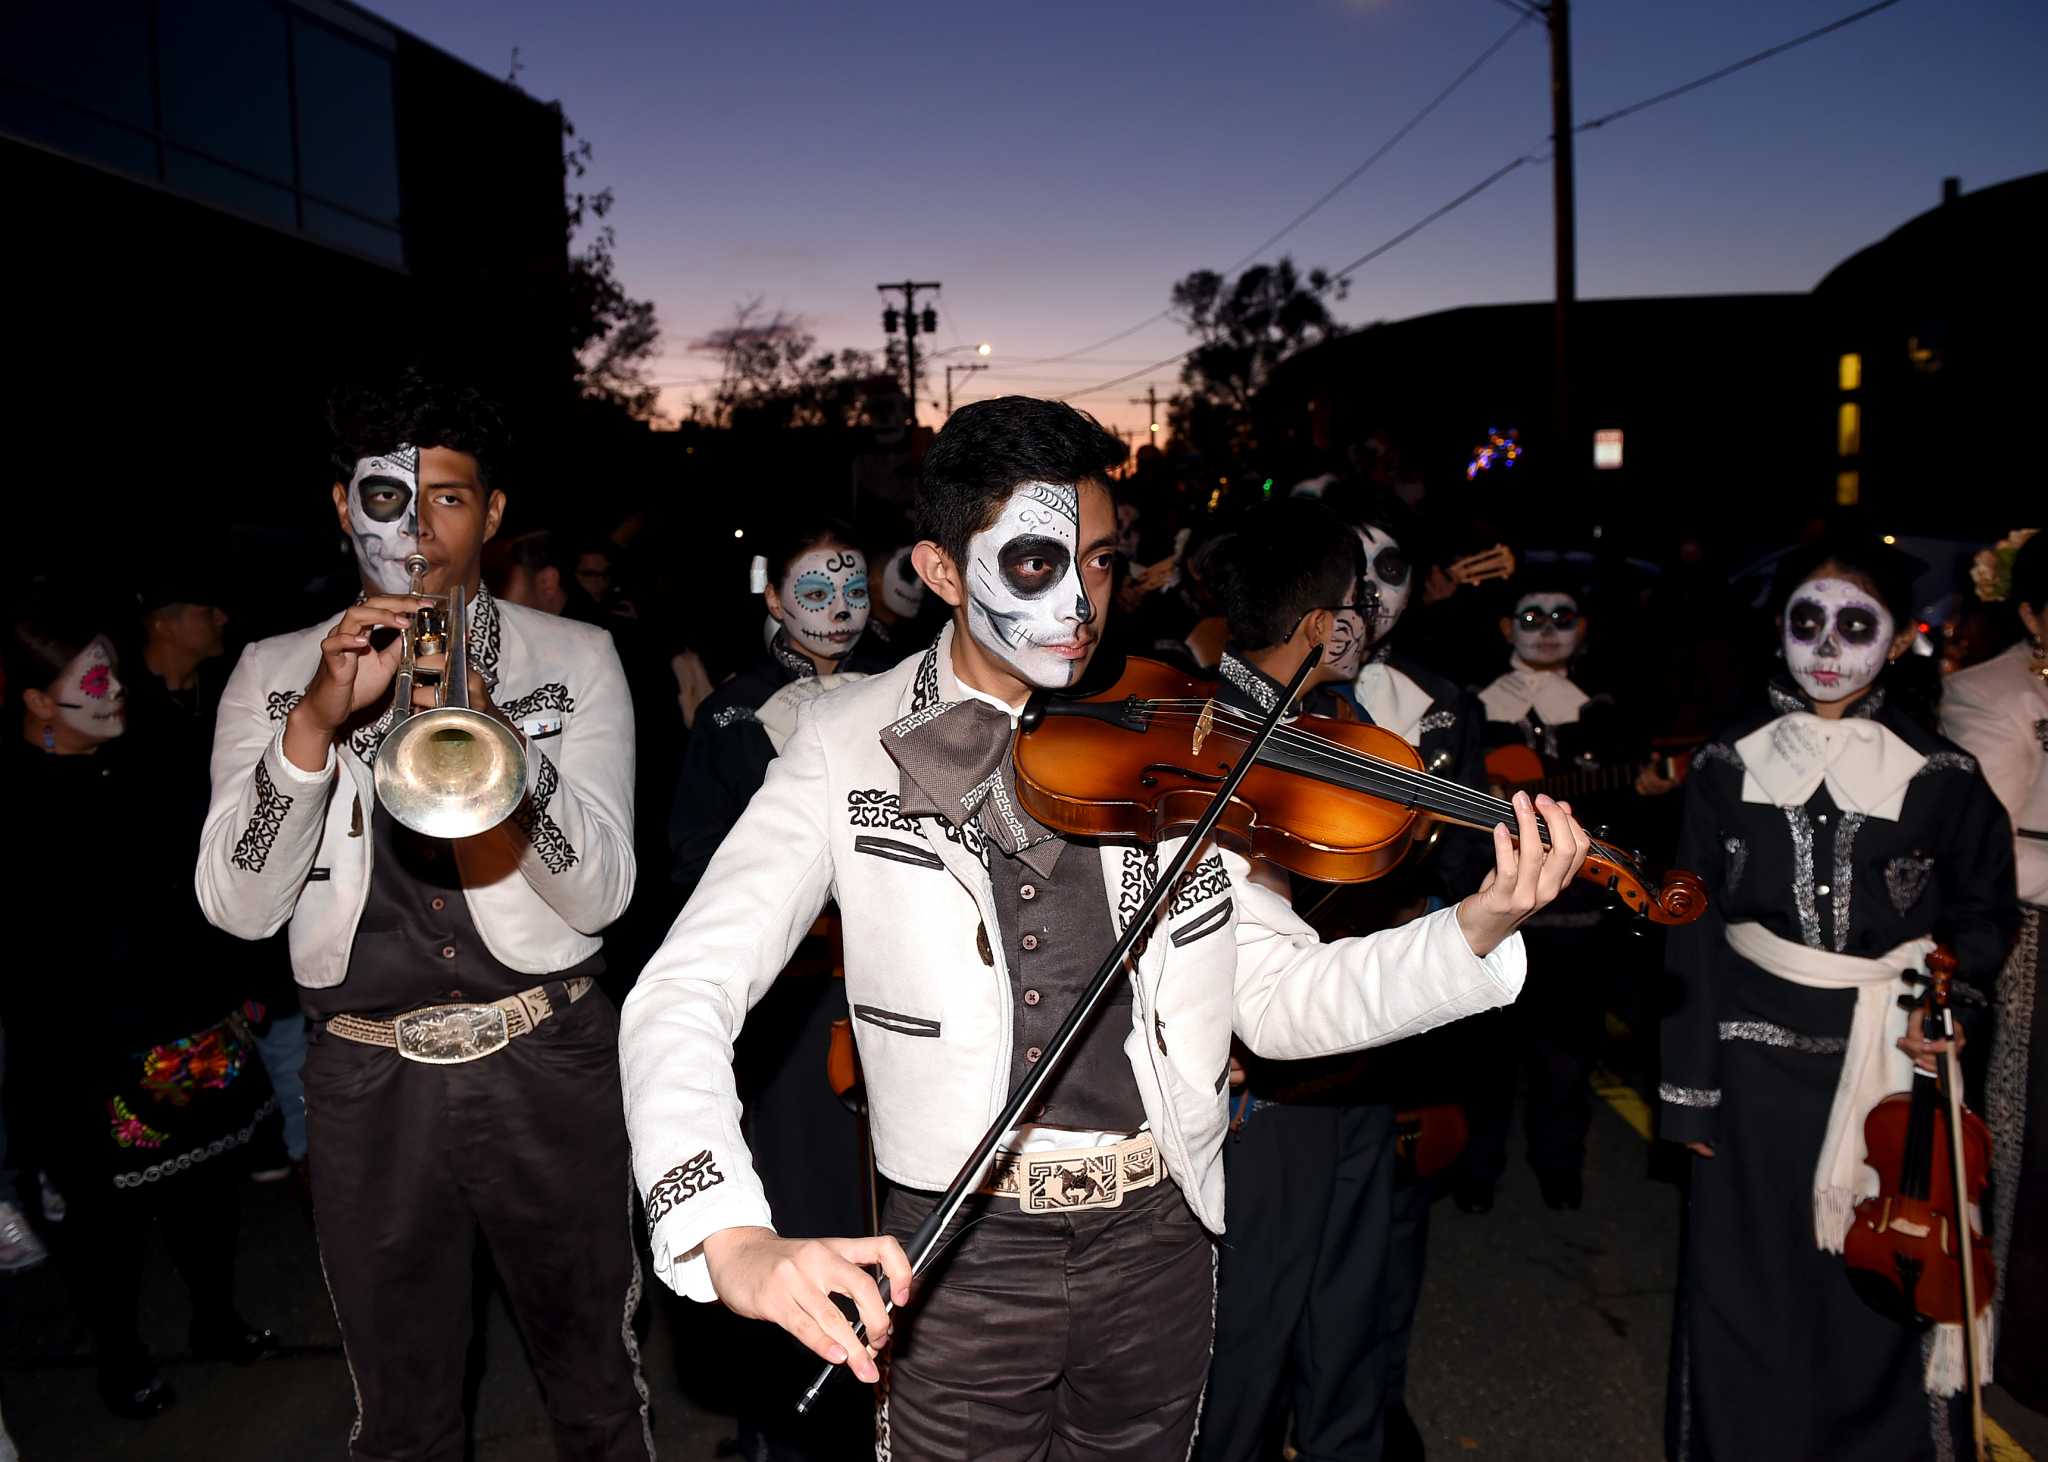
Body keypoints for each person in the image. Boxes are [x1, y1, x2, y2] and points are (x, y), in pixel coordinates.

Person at [620, 396, 1591, 1462]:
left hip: (1158, 1238)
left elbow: (1276, 999)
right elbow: (682, 992)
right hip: (952, 1254)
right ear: (943, 572)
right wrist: (729, 1237)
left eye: (1098, 561)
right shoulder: (838, 742)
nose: (1081, 602)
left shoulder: (1180, 741)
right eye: (1034, 564)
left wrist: (1478, 924)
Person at [194, 374, 651, 1460]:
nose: (420, 527)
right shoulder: (268, 672)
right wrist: (312, 723)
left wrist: (505, 743)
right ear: (345, 507)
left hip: (549, 1057)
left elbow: (602, 896)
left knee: (594, 1387)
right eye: (389, 498)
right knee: (400, 1417)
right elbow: (237, 907)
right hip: (366, 1079)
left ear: (492, 516)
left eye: (449, 498)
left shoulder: (573, 657)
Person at [1660, 532, 2018, 1462]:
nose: (1826, 646)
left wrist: (1954, 1012)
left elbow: (1984, 912)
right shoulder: (1725, 764)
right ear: (1777, 630)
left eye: (1856, 625)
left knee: (1876, 1295)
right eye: (1805, 621)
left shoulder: (1944, 776)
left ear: (1898, 640)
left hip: (1887, 1071)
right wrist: (1689, 1086)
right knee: (1744, 1291)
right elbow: (1688, 924)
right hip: (1747, 1068)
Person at [1194, 497, 1508, 1462]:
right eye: (1350, 601)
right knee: (1247, 1344)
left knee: (1349, 1325)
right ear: (1325, 619)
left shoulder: (1339, 720)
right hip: (1267, 1093)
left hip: (1355, 1073)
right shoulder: (1215, 728)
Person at [3, 603, 278, 1419]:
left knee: (208, 1189)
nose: (116, 689)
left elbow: (197, 885)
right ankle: (120, 1356)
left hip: (190, 1026)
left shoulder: (144, 762)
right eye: (92, 681)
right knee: (105, 1222)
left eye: (115, 671)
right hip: (88, 1053)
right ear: (36, 702)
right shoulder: (13, 798)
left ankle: (216, 1319)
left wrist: (239, 979)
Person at [667, 516, 880, 1462]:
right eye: (814, 591)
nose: (837, 610)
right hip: (787, 1016)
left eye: (853, 590)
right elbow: (695, 868)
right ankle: (781, 1431)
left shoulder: (905, 691)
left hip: (887, 999)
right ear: (772, 600)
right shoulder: (732, 714)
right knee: (795, 1214)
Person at [1467, 571, 1670, 1213]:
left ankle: (1561, 1171)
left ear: (1582, 629)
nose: (1549, 630)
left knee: (1565, 1062)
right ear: (1506, 627)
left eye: (1563, 617)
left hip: (1577, 920)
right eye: (1533, 618)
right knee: (1487, 1063)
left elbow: (1629, 820)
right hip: (1493, 916)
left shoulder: (1606, 710)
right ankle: (1477, 1174)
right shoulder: (1472, 707)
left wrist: (1643, 797)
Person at [1939, 526, 2048, 1412]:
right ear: (2030, 613)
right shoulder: (1987, 691)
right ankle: (2012, 1331)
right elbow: (1989, 848)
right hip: (2035, 942)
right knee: (2019, 1143)